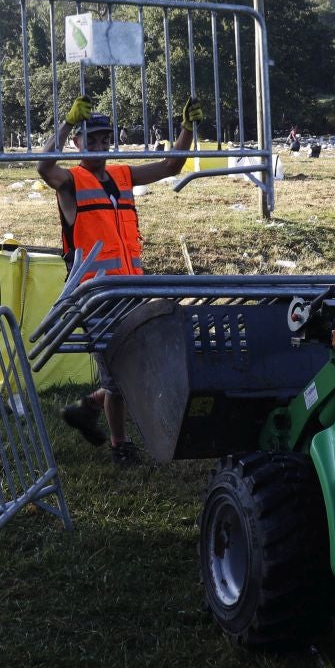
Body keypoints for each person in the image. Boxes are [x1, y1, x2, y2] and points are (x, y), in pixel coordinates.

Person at [38, 94, 198, 463]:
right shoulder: (70, 182)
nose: (97, 146)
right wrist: (64, 123)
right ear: (76, 143)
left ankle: (87, 408)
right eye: (88, 139)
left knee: (127, 366)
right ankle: (119, 444)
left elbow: (172, 165)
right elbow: (45, 167)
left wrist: (187, 128)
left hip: (131, 288)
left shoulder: (123, 176)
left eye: (102, 139)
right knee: (119, 373)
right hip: (97, 294)